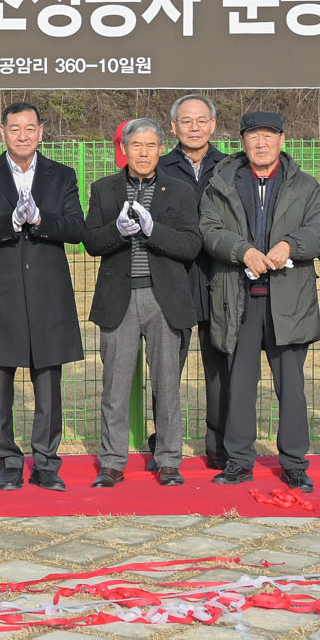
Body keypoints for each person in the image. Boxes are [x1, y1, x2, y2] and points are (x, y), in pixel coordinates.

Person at [198, 111, 320, 491]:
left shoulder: (305, 185)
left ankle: (294, 463)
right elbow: (208, 229)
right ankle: (239, 461)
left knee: (291, 389)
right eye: (254, 136)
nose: (261, 143)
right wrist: (242, 251)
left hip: (288, 300)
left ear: (282, 140)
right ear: (242, 141)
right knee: (238, 386)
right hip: (237, 298)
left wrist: (291, 244)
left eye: (269, 136)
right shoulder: (221, 182)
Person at [0, 102, 89, 491]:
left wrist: (39, 219)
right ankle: (7, 460)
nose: (23, 135)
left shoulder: (61, 175)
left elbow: (77, 228)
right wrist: (9, 222)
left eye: (30, 128)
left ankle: (46, 462)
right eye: (15, 128)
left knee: (48, 384)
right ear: (2, 132)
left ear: (41, 132)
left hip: (48, 294)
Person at [82, 117, 200, 488]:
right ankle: (112, 462)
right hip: (119, 297)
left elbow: (191, 245)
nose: (144, 152)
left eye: (150, 145)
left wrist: (153, 231)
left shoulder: (179, 190)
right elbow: (91, 242)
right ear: (124, 149)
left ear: (161, 149)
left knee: (166, 386)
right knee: (115, 387)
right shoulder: (104, 189)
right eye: (136, 145)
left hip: (164, 299)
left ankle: (168, 460)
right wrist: (116, 231)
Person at [162, 93, 233, 469]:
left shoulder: (231, 167)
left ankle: (220, 446)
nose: (194, 127)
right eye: (186, 121)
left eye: (201, 120)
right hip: (172, 280)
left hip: (220, 279)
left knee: (220, 368)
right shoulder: (159, 168)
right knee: (167, 369)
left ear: (213, 125)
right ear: (173, 126)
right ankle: (165, 445)